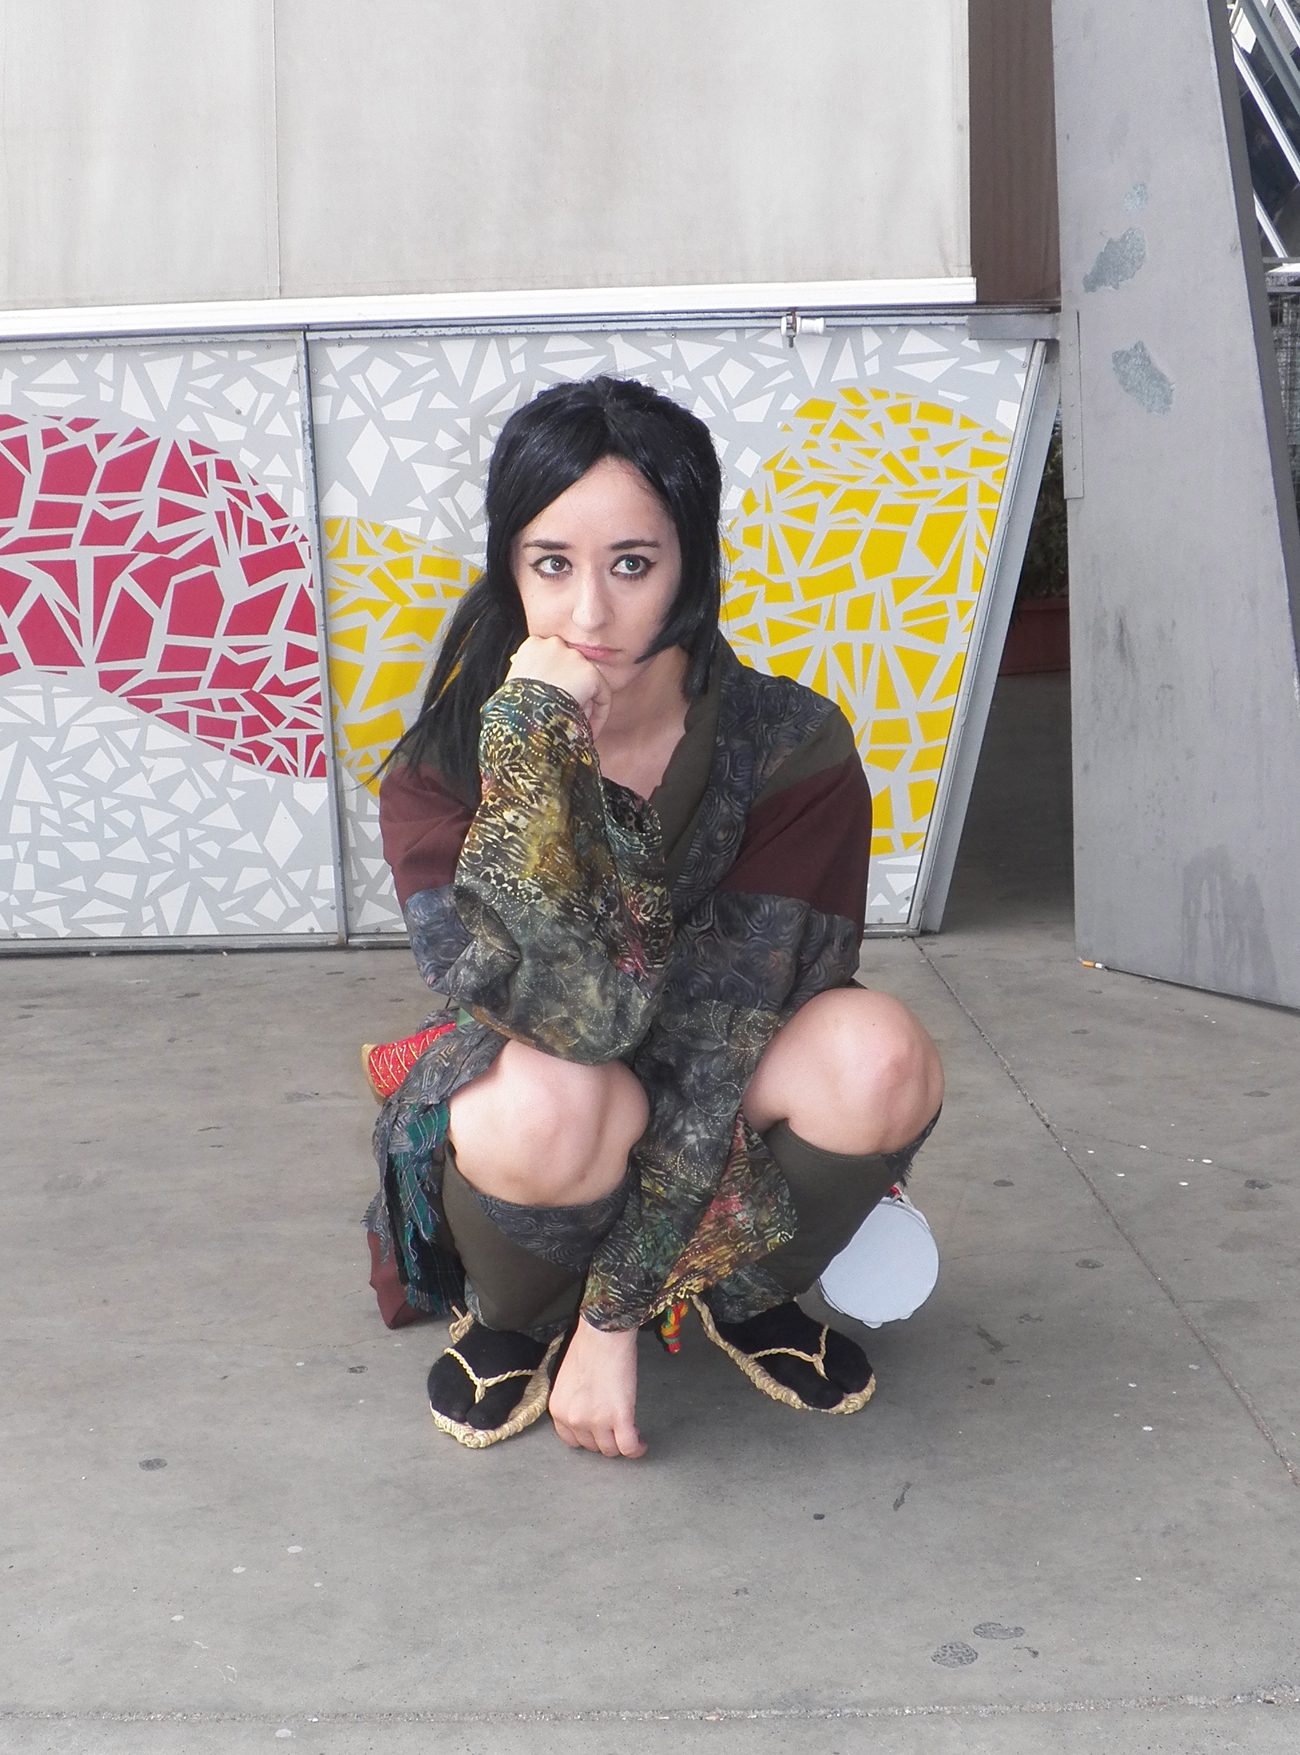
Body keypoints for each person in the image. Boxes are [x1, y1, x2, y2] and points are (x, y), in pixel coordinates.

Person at [365, 375, 944, 1459]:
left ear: (691, 565)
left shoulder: (791, 746)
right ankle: (517, 1313)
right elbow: (571, 1022)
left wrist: (615, 1317)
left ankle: (739, 1290)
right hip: (558, 1084)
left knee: (879, 1055)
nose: (589, 615)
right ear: (508, 569)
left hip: (725, 1065)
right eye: (551, 564)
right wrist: (535, 756)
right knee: (557, 1096)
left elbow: (727, 1042)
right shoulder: (448, 764)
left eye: (631, 564)